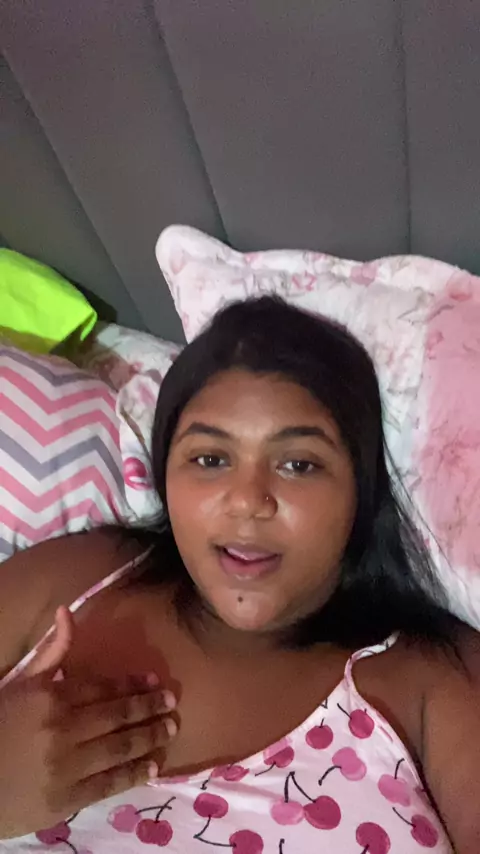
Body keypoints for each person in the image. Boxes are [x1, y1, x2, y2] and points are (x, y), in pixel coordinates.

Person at [0, 296, 479, 853]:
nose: (248, 500)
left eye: (299, 464)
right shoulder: (74, 580)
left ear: (361, 490)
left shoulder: (436, 679)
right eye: (210, 459)